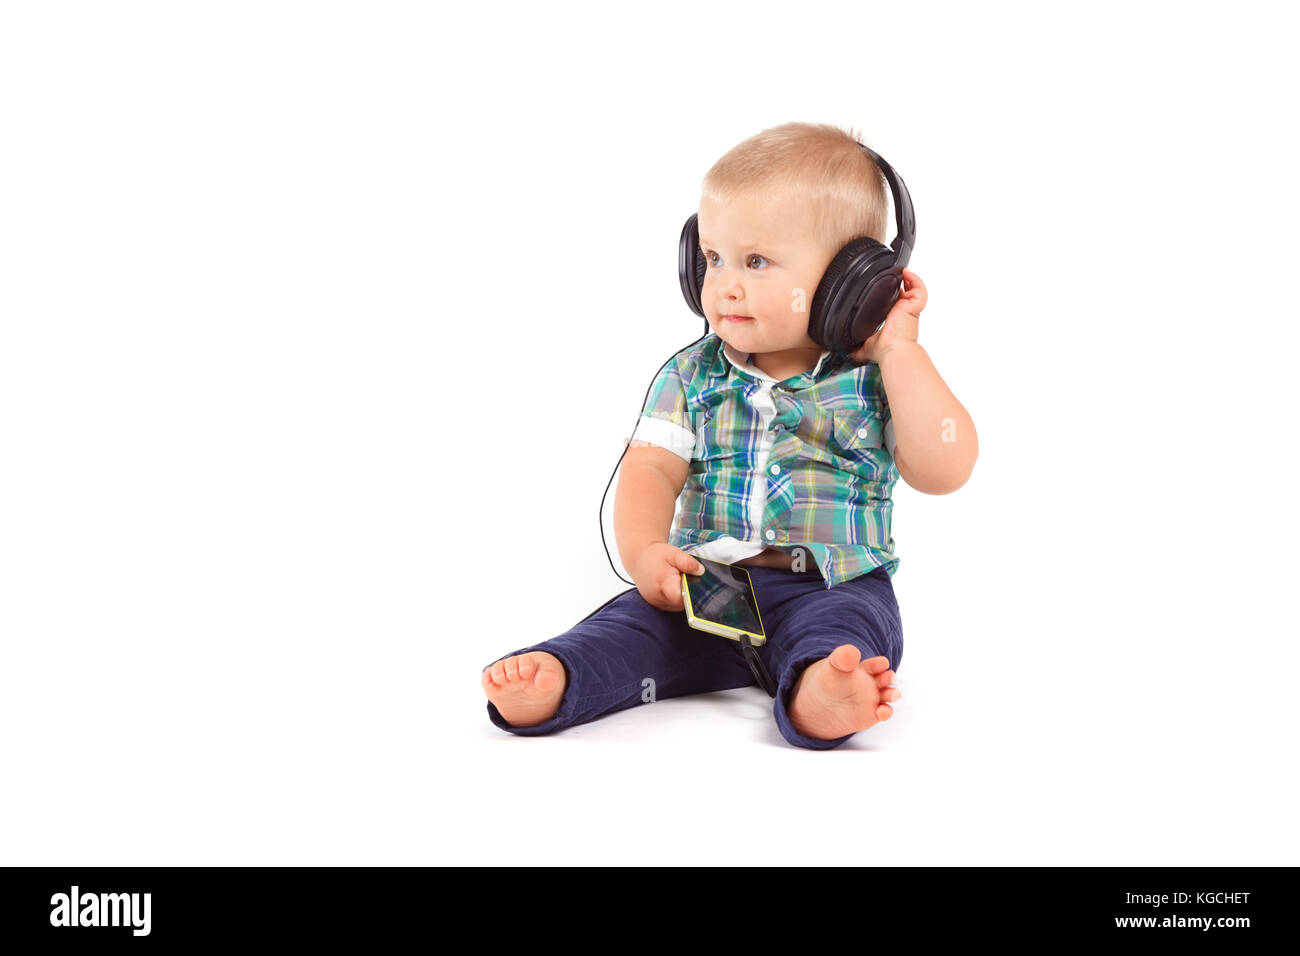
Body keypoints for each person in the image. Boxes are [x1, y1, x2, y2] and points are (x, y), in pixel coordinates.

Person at [480, 122, 978, 749]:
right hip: (706, 584)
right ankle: (563, 674)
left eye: (757, 262)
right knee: (629, 629)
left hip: (833, 585)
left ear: (848, 283)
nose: (724, 285)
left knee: (846, 634)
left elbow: (945, 468)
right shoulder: (691, 374)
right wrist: (643, 553)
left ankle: (821, 690)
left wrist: (901, 353)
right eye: (713, 258)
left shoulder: (876, 379)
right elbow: (652, 469)